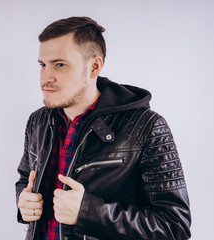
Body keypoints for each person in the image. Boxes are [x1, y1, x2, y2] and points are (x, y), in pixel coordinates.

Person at [15, 16, 191, 240]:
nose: (45, 78)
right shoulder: (38, 122)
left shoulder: (147, 126)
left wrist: (87, 212)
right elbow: (24, 178)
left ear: (94, 67)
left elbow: (174, 226)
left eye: (60, 64)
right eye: (42, 65)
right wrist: (24, 199)